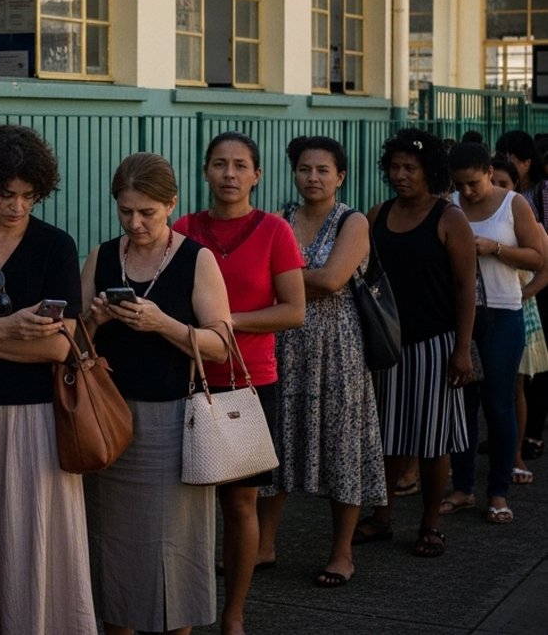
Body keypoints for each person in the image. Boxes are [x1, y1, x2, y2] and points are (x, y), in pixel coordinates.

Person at [0, 123, 98, 635]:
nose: (17, 206)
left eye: (29, 196)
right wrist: (7, 330)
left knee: (32, 542)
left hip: (35, 418)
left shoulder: (55, 246)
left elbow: (57, 345)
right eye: (7, 194)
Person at [81, 152, 231, 635]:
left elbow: (221, 344)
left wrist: (163, 323)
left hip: (171, 420)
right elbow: (73, 340)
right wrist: (95, 320)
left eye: (147, 211)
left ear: (172, 204)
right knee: (110, 543)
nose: (136, 222)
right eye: (126, 211)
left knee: (173, 545)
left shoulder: (195, 258)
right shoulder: (103, 256)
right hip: (105, 418)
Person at [173, 130, 304, 635]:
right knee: (185, 503)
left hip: (249, 383)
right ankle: (184, 609)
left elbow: (293, 311)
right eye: (220, 164)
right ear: (205, 171)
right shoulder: (182, 228)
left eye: (241, 165)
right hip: (184, 379)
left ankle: (233, 614)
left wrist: (224, 322)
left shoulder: (274, 230)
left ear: (257, 175)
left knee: (239, 502)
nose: (230, 174)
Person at [254, 136, 387, 589]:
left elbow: (332, 280)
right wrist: (284, 282)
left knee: (342, 446)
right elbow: (258, 277)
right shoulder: (278, 220)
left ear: (340, 176)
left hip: (338, 349)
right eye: (305, 169)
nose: (313, 177)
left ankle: (342, 553)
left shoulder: (352, 221)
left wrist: (281, 279)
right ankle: (263, 545)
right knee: (275, 443)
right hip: (284, 345)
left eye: (323, 170)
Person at [353, 128, 474, 558]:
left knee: (432, 440)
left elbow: (465, 288)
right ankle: (381, 516)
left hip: (434, 346)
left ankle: (430, 525)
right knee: (384, 436)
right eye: (395, 166)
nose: (400, 174)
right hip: (385, 345)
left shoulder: (449, 219)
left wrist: (462, 349)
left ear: (429, 171)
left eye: (411, 168)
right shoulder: (377, 214)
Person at [439, 142, 541, 525]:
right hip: (461, 316)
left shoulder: (513, 204)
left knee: (498, 406)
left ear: (487, 171)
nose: (466, 192)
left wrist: (495, 247)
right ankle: (463, 488)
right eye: (459, 185)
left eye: (473, 184)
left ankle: (498, 492)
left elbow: (537, 257)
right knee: (461, 407)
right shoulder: (448, 205)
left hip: (503, 313)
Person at [489, 156, 548, 485]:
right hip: (483, 311)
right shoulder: (466, 214)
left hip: (516, 310)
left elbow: (544, 268)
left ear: (516, 188)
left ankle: (514, 455)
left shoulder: (525, 217)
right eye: (493, 183)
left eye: (504, 184)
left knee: (515, 388)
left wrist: (522, 295)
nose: (497, 189)